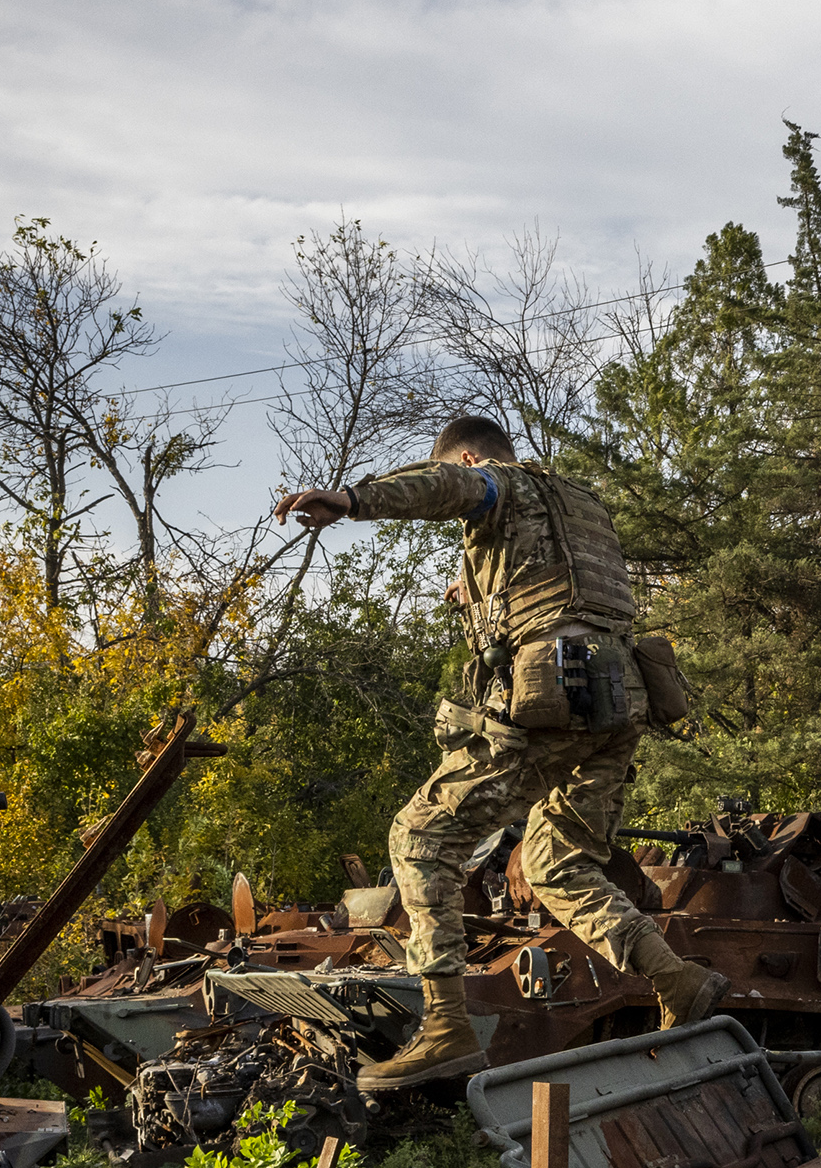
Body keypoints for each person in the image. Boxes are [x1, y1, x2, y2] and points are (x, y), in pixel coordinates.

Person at [273, 414, 725, 1086]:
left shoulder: (495, 483)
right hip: (620, 701)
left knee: (420, 835)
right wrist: (479, 595)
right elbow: (564, 591)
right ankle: (677, 979)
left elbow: (456, 488)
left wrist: (355, 499)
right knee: (555, 862)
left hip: (559, 696)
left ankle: (447, 1027)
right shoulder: (580, 502)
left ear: (467, 456)